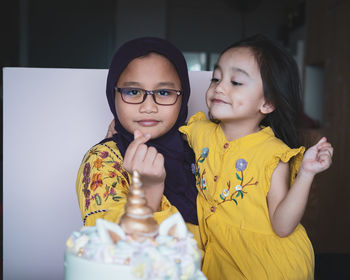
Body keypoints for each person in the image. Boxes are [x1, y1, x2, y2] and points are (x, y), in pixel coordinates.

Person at [179, 34, 333, 279]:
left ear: (268, 103)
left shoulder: (272, 155)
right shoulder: (199, 131)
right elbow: (164, 137)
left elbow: (282, 226)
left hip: (266, 266)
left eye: (236, 81)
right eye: (216, 78)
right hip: (218, 258)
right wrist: (122, 132)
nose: (219, 87)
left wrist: (306, 174)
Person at [75, 38, 200, 246]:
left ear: (183, 95)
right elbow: (114, 250)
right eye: (133, 92)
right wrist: (149, 191)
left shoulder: (201, 149)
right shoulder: (102, 161)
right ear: (112, 94)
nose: (148, 107)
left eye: (164, 92)